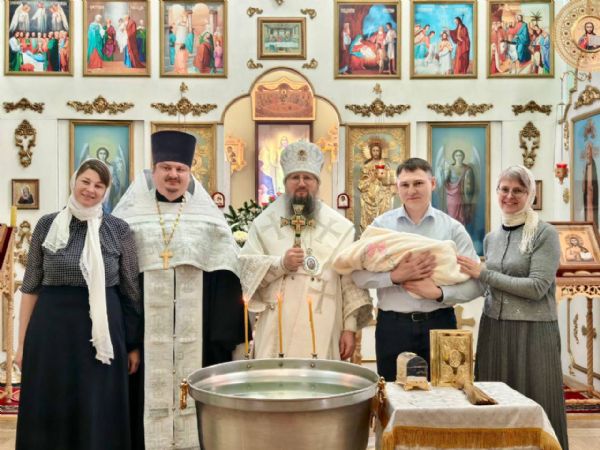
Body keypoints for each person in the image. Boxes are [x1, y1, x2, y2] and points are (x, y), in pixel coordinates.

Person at [113, 130, 245, 450]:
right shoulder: (129, 218)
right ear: (154, 170)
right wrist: (130, 340)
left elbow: (227, 275)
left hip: (197, 337)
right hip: (144, 338)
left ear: (189, 173)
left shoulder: (208, 220)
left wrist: (224, 340)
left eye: (180, 169)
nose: (173, 175)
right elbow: (121, 283)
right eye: (166, 168)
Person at [16, 159, 142, 449]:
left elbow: (131, 290)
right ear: (74, 181)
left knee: (98, 404)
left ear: (106, 191)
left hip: (103, 333)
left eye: (99, 185)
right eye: (85, 181)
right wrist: (21, 344)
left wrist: (133, 344)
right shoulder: (47, 224)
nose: (90, 189)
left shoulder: (118, 229)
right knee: (52, 401)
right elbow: (31, 286)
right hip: (52, 331)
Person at [457, 165, 569, 450]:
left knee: (537, 400)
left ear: (530, 194)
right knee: (494, 401)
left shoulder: (544, 234)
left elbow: (537, 287)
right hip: (494, 329)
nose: (510, 196)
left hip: (533, 332)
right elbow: (488, 286)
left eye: (518, 190)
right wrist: (442, 291)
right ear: (496, 192)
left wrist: (483, 273)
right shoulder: (492, 238)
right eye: (504, 189)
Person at [352, 158, 482, 381]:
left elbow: (477, 284)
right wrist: (394, 277)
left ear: (433, 183)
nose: (411, 190)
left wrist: (440, 293)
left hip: (440, 322)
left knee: (446, 393)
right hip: (393, 327)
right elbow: (358, 276)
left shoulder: (452, 229)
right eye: (405, 184)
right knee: (393, 392)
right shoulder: (380, 227)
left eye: (418, 183)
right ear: (397, 188)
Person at [240, 141, 373, 360]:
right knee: (276, 379)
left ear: (317, 183)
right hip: (277, 323)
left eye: (308, 178)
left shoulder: (340, 227)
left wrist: (349, 328)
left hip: (324, 321)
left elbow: (350, 280)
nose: (301, 183)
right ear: (285, 182)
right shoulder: (264, 224)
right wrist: (280, 264)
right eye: (295, 177)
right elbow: (246, 269)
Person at [357, 140, 395, 232]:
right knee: (369, 222)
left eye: (377, 150)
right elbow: (361, 185)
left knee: (383, 219)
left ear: (380, 151)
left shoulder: (385, 165)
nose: (375, 153)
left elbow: (390, 180)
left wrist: (383, 177)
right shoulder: (367, 166)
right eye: (373, 151)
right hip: (369, 195)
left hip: (383, 194)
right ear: (370, 152)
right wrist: (371, 179)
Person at [442, 149, 476, 226]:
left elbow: (470, 183)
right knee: (452, 214)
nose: (458, 157)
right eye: (457, 155)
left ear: (463, 157)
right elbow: (445, 181)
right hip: (451, 195)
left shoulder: (467, 168)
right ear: (454, 157)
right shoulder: (450, 168)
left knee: (462, 215)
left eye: (460, 155)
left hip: (462, 195)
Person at [583, 141, 598, 225]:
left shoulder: (593, 164)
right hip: (587, 191)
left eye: (589, 152)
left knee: (592, 207)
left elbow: (594, 178)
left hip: (592, 190)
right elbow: (585, 177)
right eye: (587, 153)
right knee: (587, 207)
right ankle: (587, 221)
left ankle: (593, 222)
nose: (588, 154)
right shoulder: (586, 164)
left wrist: (592, 187)